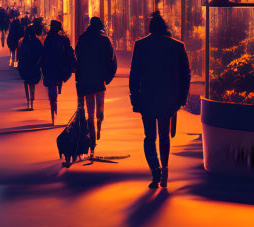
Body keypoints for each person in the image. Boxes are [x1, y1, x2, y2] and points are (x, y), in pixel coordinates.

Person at [129, 11, 191, 189]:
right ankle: (165, 170)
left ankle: (155, 170)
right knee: (164, 136)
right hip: (168, 98)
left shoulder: (140, 45)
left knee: (149, 137)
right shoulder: (177, 46)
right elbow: (186, 74)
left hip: (147, 97)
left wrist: (135, 98)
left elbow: (134, 74)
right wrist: (182, 98)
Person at [74, 16, 118, 161]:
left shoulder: (83, 39)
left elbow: (77, 59)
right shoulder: (105, 40)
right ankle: (99, 125)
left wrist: (79, 79)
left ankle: (92, 143)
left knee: (90, 113)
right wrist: (107, 78)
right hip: (100, 81)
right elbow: (112, 60)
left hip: (86, 81)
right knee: (100, 109)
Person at [39, 20, 75, 125]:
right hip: (60, 67)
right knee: (58, 80)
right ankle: (57, 94)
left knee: (51, 85)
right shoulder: (63, 39)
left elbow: (44, 53)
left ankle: (52, 103)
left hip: (50, 67)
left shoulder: (48, 39)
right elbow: (69, 52)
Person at [16, 25, 43, 110]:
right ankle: (32, 95)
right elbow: (41, 53)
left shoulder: (23, 41)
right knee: (32, 83)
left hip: (25, 65)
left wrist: (19, 62)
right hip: (34, 65)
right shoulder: (37, 41)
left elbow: (19, 54)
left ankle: (29, 98)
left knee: (27, 81)